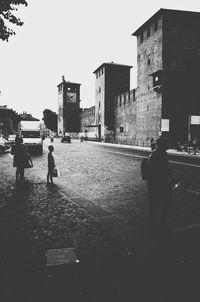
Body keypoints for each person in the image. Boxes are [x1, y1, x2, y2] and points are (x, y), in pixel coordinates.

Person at [147, 137, 173, 230]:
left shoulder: (158, 154)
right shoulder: (157, 155)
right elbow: (161, 170)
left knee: (158, 203)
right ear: (162, 145)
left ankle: (156, 222)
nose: (168, 145)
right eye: (166, 144)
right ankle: (157, 222)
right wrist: (171, 178)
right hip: (158, 183)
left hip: (157, 183)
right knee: (163, 203)